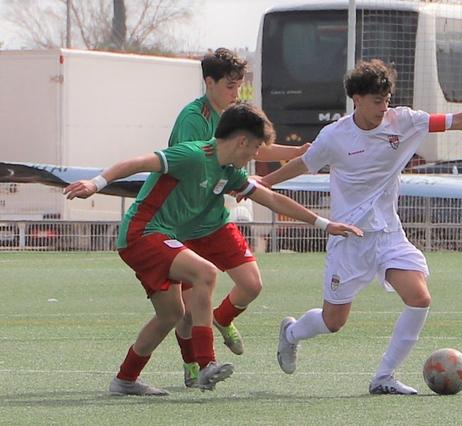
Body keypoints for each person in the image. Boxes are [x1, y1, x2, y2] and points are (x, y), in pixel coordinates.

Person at [259, 59, 462, 395]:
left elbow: (457, 121)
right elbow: (302, 164)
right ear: (357, 99)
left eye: (387, 99)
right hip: (348, 239)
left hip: (388, 234)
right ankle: (291, 333)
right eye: (377, 101)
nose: (384, 107)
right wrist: (263, 183)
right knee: (333, 322)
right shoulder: (334, 137)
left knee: (419, 297)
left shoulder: (404, 121)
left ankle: (384, 377)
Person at [63, 103, 362, 396]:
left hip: (161, 237)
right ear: (241, 141)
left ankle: (125, 379)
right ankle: (207, 363)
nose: (255, 155)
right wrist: (96, 183)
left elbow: (272, 199)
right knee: (205, 273)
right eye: (255, 148)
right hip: (142, 233)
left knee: (171, 315)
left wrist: (324, 224)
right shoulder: (193, 155)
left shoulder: (229, 172)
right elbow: (137, 163)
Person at [168, 47, 310, 388]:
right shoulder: (193, 118)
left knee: (251, 284)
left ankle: (223, 318)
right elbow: (195, 164)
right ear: (209, 83)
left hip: (215, 220)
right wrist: (233, 180)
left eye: (239, 86)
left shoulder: (234, 114)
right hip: (183, 225)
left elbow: (254, 145)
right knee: (186, 311)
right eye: (230, 86)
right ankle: (192, 365)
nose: (236, 93)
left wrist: (295, 152)